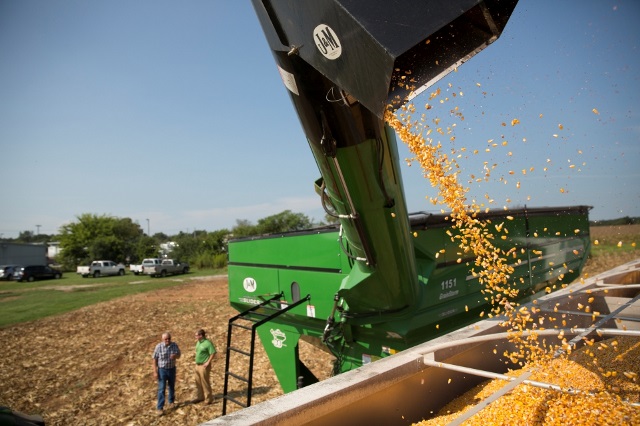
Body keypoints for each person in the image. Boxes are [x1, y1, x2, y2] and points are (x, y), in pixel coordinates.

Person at [152, 332, 181, 416]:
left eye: (169, 338)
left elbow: (179, 355)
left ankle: (171, 402)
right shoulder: (158, 347)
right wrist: (155, 371)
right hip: (162, 370)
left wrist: (175, 356)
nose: (167, 340)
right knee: (161, 389)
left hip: (172, 369)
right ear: (162, 339)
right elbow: (154, 359)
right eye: (166, 339)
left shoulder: (174, 345)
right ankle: (160, 408)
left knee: (171, 386)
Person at [192, 328, 217, 405]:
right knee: (198, 382)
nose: (195, 337)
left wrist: (208, 362)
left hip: (204, 366)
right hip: (197, 365)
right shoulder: (198, 342)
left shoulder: (207, 343)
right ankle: (200, 397)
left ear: (201, 335)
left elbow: (213, 353)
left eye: (196, 335)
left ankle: (209, 399)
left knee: (205, 382)